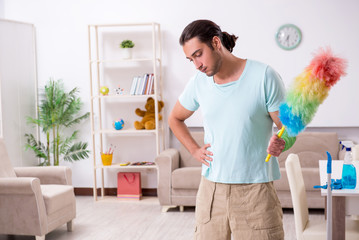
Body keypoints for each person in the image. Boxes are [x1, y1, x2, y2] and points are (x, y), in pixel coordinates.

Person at [168, 19, 296, 240]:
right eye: (191, 59)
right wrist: (194, 150)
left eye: (198, 54)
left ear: (216, 43)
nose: (196, 64)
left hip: (255, 191)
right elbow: (175, 118)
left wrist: (282, 142)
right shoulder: (199, 82)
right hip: (211, 191)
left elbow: (289, 128)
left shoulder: (264, 76)